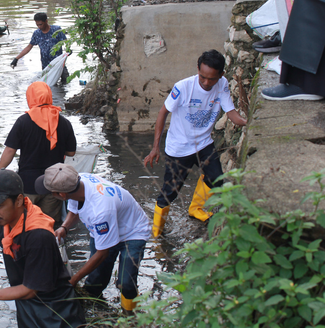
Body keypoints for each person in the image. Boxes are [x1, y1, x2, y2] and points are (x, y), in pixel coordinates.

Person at [0, 169, 85, 327]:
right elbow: (0, 234)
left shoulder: (38, 236)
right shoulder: (9, 222)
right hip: (27, 304)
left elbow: (30, 290)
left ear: (19, 201)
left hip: (55, 311)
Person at [143, 50, 247, 237]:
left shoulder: (222, 84)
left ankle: (196, 209)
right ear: (197, 70)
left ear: (221, 75)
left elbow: (231, 113)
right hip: (179, 148)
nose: (206, 83)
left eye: (211, 79)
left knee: (216, 180)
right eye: (202, 77)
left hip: (204, 143)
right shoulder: (183, 87)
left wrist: (249, 123)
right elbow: (162, 113)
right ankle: (156, 233)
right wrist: (155, 147)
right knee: (170, 193)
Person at [35, 163, 151, 314]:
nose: (50, 195)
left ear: (61, 195)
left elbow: (102, 253)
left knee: (126, 283)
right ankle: (93, 305)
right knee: (96, 278)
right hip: (105, 226)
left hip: (133, 232)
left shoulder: (100, 211)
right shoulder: (78, 181)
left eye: (51, 192)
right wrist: (64, 227)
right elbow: (75, 209)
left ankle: (130, 317)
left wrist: (74, 280)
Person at [0, 81, 76, 228]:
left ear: (30, 98)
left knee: (25, 225)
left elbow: (10, 150)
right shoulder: (63, 122)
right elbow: (71, 152)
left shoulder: (23, 122)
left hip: (28, 185)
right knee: (49, 226)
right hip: (53, 185)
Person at [11, 12, 69, 83]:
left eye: (40, 24)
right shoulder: (37, 33)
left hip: (59, 63)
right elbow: (29, 47)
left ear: (46, 21)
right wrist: (16, 58)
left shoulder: (57, 30)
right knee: (47, 85)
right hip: (46, 66)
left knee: (66, 82)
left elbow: (66, 42)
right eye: (37, 25)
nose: (39, 26)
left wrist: (68, 49)